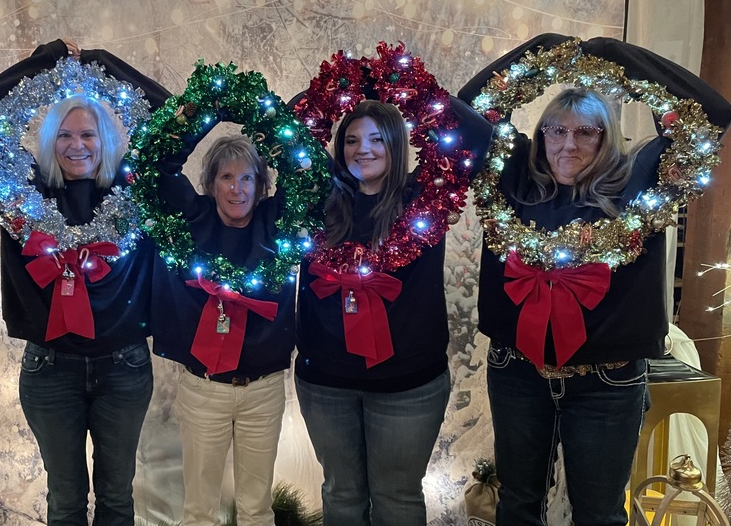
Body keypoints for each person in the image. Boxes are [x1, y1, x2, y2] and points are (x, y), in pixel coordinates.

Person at [459, 32, 731, 526]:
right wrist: (545, 49)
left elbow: (710, 113)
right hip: (518, 371)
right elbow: (466, 108)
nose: (568, 144)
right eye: (556, 131)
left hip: (609, 381)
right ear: (541, 135)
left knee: (600, 515)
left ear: (607, 138)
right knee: (518, 505)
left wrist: (613, 55)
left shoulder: (640, 183)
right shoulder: (514, 178)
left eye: (586, 132)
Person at [0, 39, 168, 526]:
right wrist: (45, 61)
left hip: (124, 366)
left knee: (117, 496)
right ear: (49, 141)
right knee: (66, 499)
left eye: (89, 134)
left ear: (106, 139)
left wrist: (99, 62)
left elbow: (170, 115)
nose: (78, 145)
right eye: (65, 135)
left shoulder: (135, 189)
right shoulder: (22, 191)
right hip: (50, 369)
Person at [294, 99, 489, 526]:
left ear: (397, 143)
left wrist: (407, 85)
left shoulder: (426, 196)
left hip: (408, 387)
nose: (362, 149)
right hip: (325, 383)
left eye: (377, 139)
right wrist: (344, 81)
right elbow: (285, 125)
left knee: (396, 500)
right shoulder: (314, 196)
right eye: (351, 140)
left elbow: (478, 135)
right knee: (341, 495)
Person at [150, 135, 297, 526]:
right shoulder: (194, 219)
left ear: (261, 185)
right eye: (226, 177)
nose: (237, 188)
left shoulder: (276, 221)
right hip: (204, 390)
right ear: (211, 184)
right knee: (200, 511)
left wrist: (267, 121)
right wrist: (207, 110)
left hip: (263, 390)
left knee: (256, 510)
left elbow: (310, 172)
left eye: (247, 178)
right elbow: (160, 165)